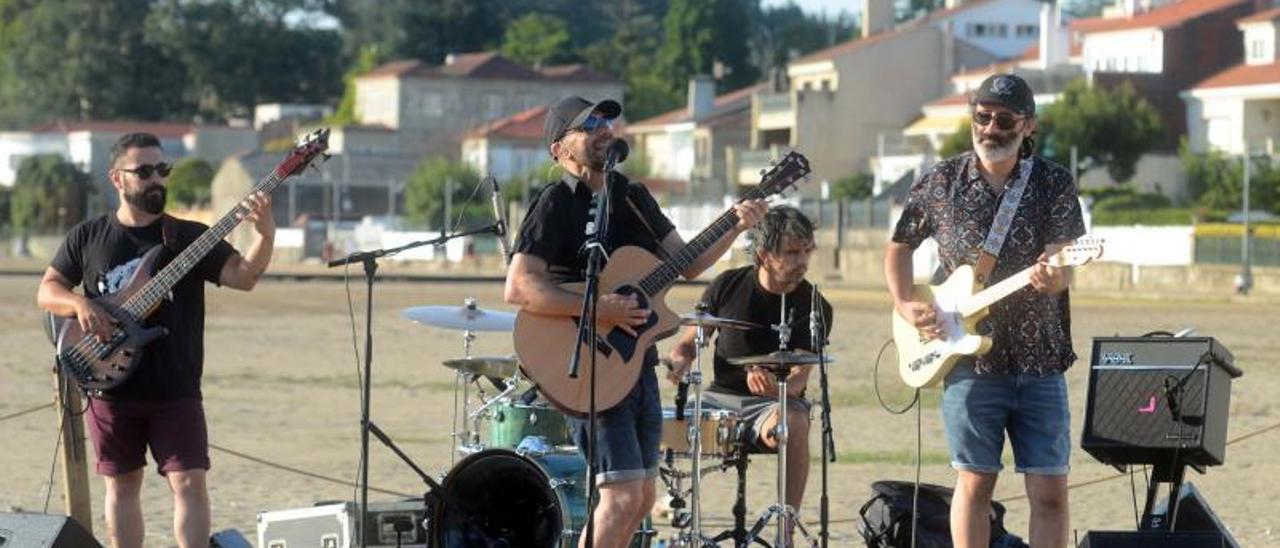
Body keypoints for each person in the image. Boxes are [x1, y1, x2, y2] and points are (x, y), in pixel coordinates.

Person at [504, 96, 765, 548]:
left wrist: (735, 225)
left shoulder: (634, 197)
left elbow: (688, 262)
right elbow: (520, 287)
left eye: (606, 120)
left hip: (635, 365)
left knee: (642, 497)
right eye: (589, 125)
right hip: (586, 366)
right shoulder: (555, 203)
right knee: (622, 497)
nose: (604, 128)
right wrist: (600, 309)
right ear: (559, 148)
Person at [36, 132, 275, 548]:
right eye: (144, 171)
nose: (156, 179)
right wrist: (80, 305)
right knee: (122, 487)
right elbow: (47, 291)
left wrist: (265, 233)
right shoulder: (88, 237)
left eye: (162, 170)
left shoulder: (187, 237)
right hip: (110, 384)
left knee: (189, 482)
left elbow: (245, 277)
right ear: (117, 179)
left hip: (176, 387)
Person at [884, 74, 1085, 548]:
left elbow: (1063, 262)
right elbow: (899, 248)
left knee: (1050, 490)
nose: (991, 127)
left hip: (1041, 359)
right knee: (974, 484)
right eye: (982, 116)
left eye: (1005, 119)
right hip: (968, 360)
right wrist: (905, 303)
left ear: (1028, 126)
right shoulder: (939, 182)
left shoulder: (1053, 182)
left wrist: (1055, 276)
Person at [664, 205, 833, 531]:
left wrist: (776, 387)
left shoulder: (815, 305)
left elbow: (798, 381)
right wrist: (680, 359)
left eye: (806, 252)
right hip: (718, 401)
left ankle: (786, 529)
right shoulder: (727, 285)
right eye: (791, 252)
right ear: (763, 254)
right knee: (646, 424)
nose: (802, 262)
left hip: (774, 406)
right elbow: (688, 341)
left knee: (795, 421)